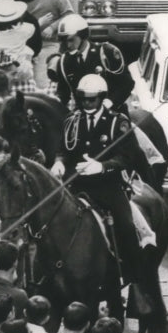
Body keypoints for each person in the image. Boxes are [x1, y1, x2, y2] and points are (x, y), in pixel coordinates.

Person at [51, 75, 146, 297]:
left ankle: (135, 278)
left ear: (101, 99)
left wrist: (103, 167)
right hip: (76, 184)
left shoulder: (117, 122)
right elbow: (63, 149)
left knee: (125, 225)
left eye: (92, 100)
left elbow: (128, 157)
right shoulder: (71, 121)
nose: (86, 104)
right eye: (83, 99)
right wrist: (58, 163)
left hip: (107, 186)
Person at [53, 13, 134, 110]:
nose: (68, 45)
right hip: (83, 115)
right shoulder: (64, 61)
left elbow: (127, 83)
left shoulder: (105, 53)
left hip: (111, 111)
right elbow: (63, 93)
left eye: (71, 40)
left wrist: (109, 103)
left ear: (83, 36)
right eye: (64, 41)